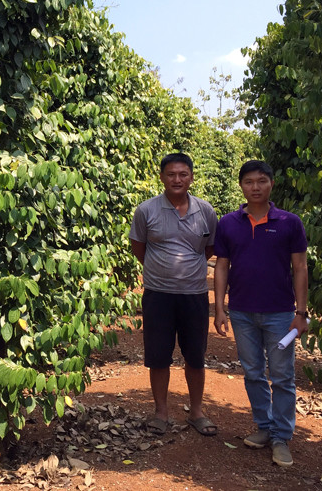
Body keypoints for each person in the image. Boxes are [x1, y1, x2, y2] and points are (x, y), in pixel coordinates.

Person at [213, 160, 308, 467]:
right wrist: (220, 308)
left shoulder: (289, 222)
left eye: (261, 181)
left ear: (272, 184)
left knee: (282, 376)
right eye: (249, 182)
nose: (255, 187)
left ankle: (282, 436)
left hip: (280, 315)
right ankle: (264, 427)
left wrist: (301, 312)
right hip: (242, 313)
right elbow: (222, 267)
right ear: (241, 185)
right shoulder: (228, 224)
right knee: (253, 373)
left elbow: (300, 267)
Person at [129, 153, 218, 436]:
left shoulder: (206, 211)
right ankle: (161, 413)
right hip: (158, 294)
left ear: (191, 177)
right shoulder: (147, 210)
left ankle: (197, 412)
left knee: (195, 355)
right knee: (158, 356)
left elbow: (208, 249)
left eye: (182, 174)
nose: (177, 179)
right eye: (171, 174)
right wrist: (161, 270)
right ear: (162, 177)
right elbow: (139, 246)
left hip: (194, 294)